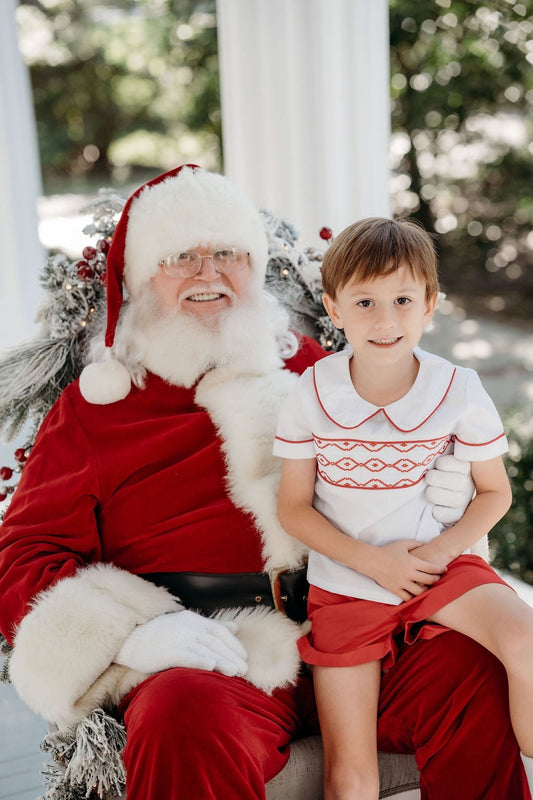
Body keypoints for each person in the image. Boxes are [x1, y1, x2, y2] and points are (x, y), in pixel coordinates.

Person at [0, 167, 527, 800]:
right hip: (218, 653)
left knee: (470, 668)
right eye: (180, 257)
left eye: (228, 253)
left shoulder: (317, 370)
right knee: (182, 712)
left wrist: (450, 497)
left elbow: (410, 446)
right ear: (138, 278)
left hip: (363, 622)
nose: (209, 272)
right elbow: (24, 555)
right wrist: (130, 636)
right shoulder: (97, 411)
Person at [275, 216, 533, 800]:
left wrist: (439, 553)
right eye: (364, 302)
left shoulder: (458, 388)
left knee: (525, 640)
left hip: (440, 567)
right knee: (351, 772)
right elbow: (294, 508)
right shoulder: (312, 392)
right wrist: (372, 563)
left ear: (430, 305)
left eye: (402, 300)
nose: (385, 320)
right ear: (333, 307)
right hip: (346, 582)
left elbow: (497, 492)